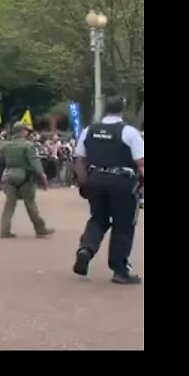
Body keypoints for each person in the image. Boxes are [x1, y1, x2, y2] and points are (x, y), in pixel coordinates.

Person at [72, 97, 144, 284]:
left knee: (98, 218)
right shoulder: (129, 132)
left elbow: (79, 159)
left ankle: (86, 249)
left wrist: (83, 183)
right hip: (122, 181)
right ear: (123, 109)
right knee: (123, 224)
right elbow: (141, 163)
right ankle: (120, 270)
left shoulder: (89, 130)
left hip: (95, 178)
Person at [0, 122, 54, 239]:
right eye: (26, 130)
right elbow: (35, 162)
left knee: (9, 205)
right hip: (26, 177)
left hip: (10, 175)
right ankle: (40, 229)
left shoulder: (6, 145)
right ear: (22, 131)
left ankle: (4, 230)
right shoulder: (29, 146)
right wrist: (42, 175)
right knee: (30, 204)